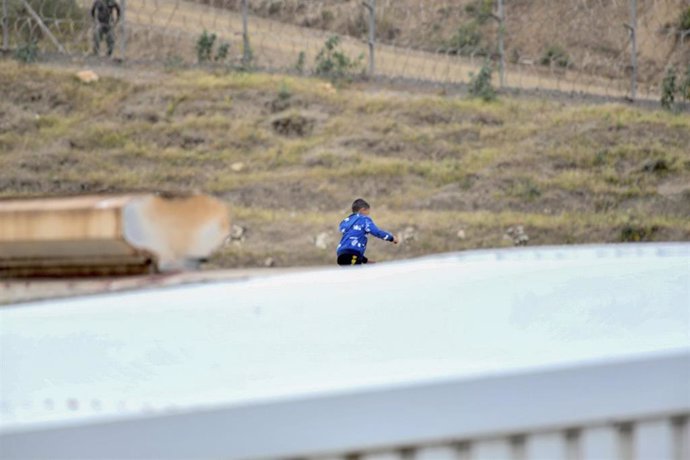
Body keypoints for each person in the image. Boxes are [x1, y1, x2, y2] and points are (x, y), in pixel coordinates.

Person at [336, 198, 398, 266]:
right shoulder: (363, 219)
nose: (368, 215)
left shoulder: (347, 221)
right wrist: (391, 238)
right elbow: (377, 232)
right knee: (355, 274)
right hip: (352, 255)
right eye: (367, 213)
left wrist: (365, 260)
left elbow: (350, 245)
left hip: (341, 254)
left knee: (349, 274)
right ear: (362, 210)